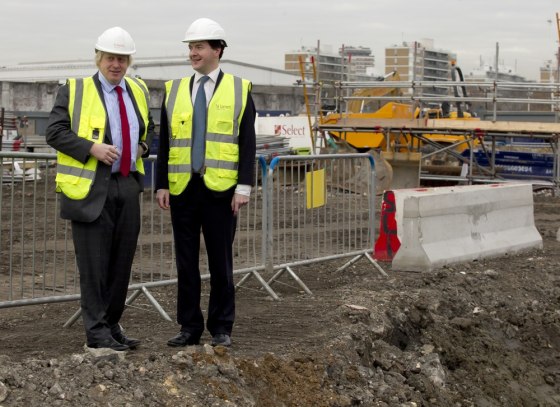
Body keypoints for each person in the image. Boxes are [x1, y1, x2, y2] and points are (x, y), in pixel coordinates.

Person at [46, 26, 155, 351]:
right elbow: (54, 132)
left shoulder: (137, 90)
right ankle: (96, 333)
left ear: (128, 61)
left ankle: (111, 324)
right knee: (93, 267)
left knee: (121, 264)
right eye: (110, 58)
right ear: (99, 58)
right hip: (91, 190)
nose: (116, 64)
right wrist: (91, 148)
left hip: (126, 185)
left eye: (122, 59)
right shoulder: (75, 89)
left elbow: (146, 128)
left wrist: (143, 149)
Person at [156, 17, 256, 348]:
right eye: (190, 47)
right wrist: (161, 184)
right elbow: (166, 144)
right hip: (183, 189)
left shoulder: (240, 90)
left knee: (220, 262)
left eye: (198, 47)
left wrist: (244, 187)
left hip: (221, 191)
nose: (192, 54)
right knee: (185, 263)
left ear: (217, 50)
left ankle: (221, 327)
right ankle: (189, 327)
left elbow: (247, 143)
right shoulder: (172, 91)